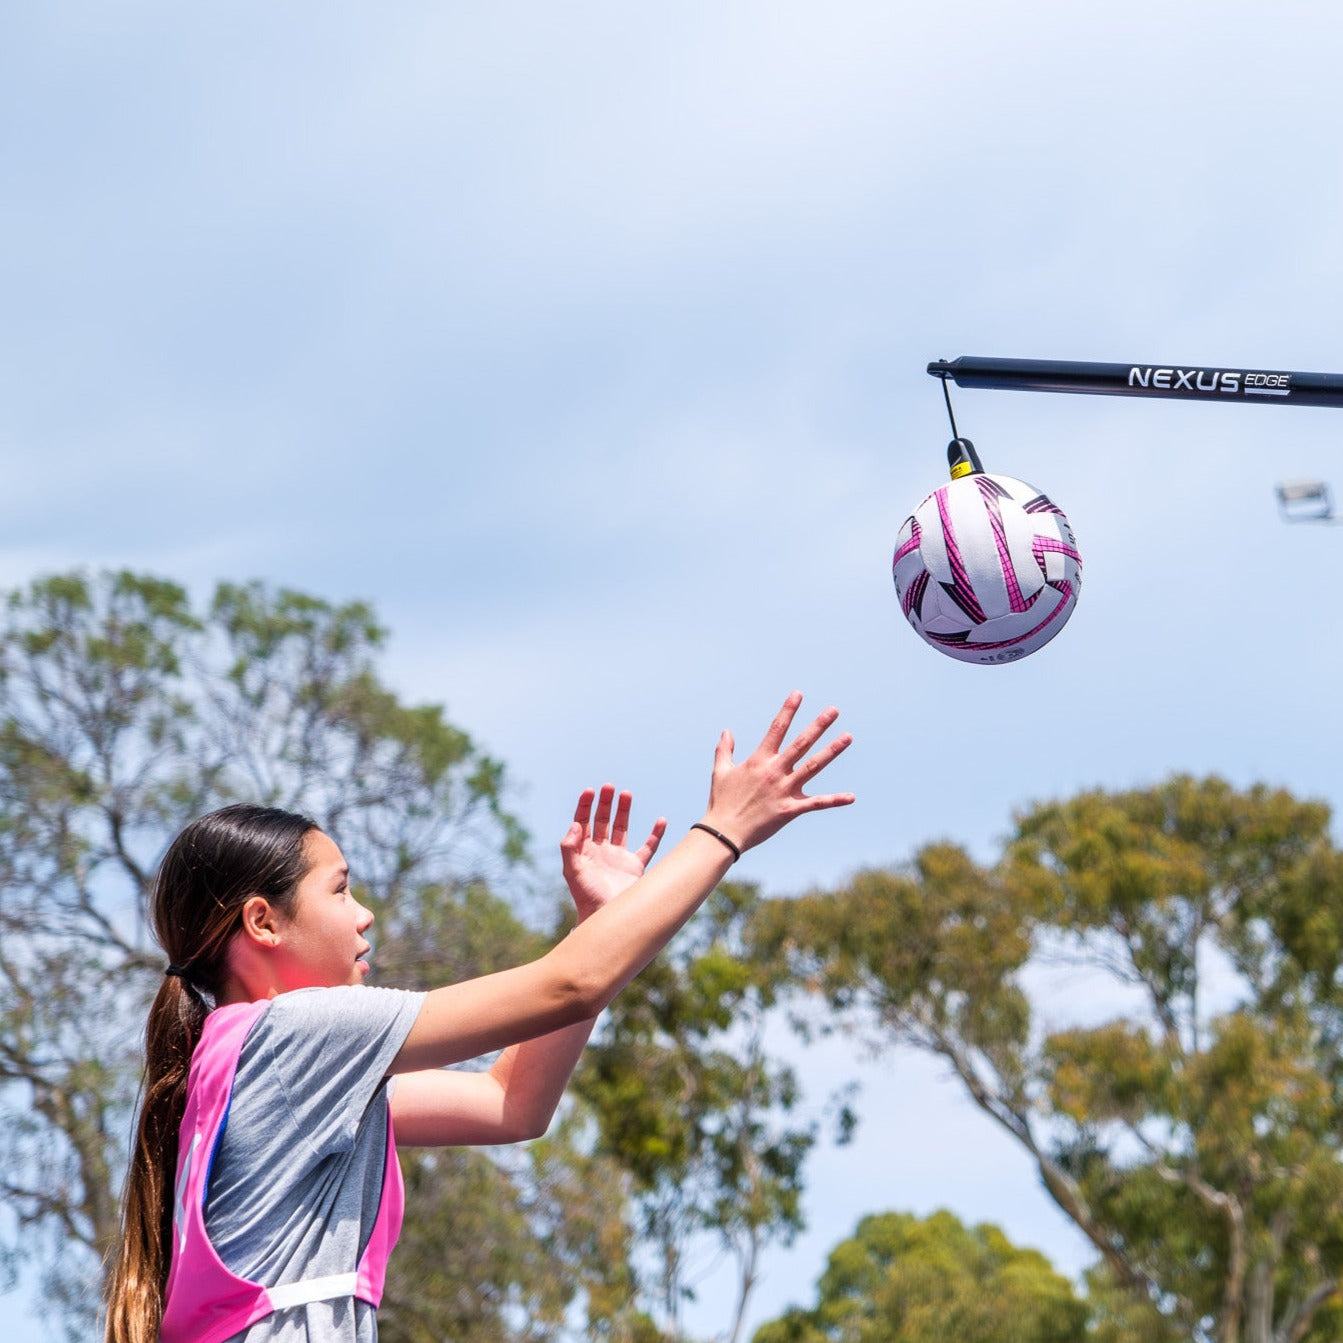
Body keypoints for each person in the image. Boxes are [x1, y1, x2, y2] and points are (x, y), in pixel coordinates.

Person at [104, 692, 854, 1343]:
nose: (364, 916)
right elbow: (574, 984)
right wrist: (723, 830)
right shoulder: (294, 1033)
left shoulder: (249, 1063)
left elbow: (511, 1104)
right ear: (263, 922)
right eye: (339, 891)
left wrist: (597, 920)